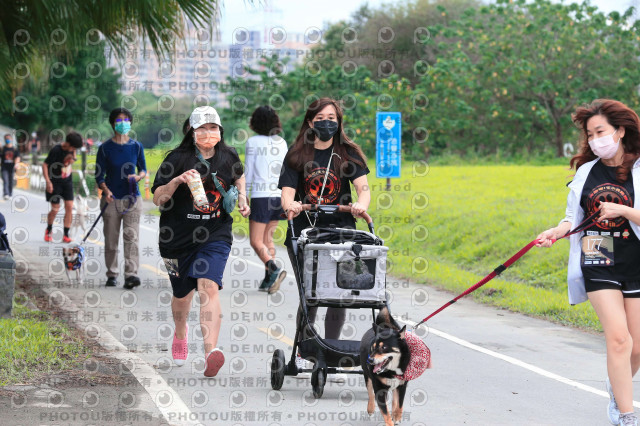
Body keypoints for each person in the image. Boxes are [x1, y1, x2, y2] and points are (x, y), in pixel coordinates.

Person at [536, 99, 640, 426]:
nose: (596, 140)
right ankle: (625, 414)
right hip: (598, 258)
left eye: (601, 132)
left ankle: (616, 380)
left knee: (637, 347)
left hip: (635, 261)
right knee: (619, 339)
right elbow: (572, 219)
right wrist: (556, 231)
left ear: (620, 131)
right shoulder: (586, 172)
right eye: (590, 134)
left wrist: (622, 210)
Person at [152, 106, 250, 377]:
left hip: (215, 233)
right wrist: (176, 182)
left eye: (214, 128)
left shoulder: (228, 156)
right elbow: (157, 198)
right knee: (182, 297)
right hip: (176, 239)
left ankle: (210, 352)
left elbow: (239, 175)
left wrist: (242, 197)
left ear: (221, 131)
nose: (209, 133)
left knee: (208, 285)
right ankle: (180, 333)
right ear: (191, 131)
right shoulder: (177, 158)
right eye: (203, 129)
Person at [278, 97, 371, 369]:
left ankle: (331, 355)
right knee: (312, 295)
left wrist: (359, 206)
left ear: (339, 121)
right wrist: (291, 205)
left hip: (342, 234)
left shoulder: (348, 153)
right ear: (310, 122)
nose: (326, 123)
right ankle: (303, 352)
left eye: (331, 118)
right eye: (320, 119)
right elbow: (287, 193)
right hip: (305, 235)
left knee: (339, 295)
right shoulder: (297, 155)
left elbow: (363, 189)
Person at [95, 107, 147, 289]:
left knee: (131, 237)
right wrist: (105, 190)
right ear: (112, 124)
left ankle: (131, 275)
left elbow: (143, 168)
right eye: (119, 120)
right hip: (111, 199)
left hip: (133, 198)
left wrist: (138, 177)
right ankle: (112, 274)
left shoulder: (136, 146)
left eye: (126, 120)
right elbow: (99, 175)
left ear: (130, 123)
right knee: (111, 238)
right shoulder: (105, 148)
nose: (123, 123)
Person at [245, 106, 288, 293]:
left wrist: (243, 194)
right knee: (267, 239)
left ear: (256, 122)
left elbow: (248, 171)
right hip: (278, 197)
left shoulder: (253, 142)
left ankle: (273, 268)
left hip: (261, 197)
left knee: (255, 241)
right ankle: (268, 279)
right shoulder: (282, 142)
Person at [43, 132, 82, 243]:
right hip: (54, 182)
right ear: (68, 143)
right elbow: (45, 165)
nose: (74, 149)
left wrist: (73, 155)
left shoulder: (72, 149)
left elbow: (72, 161)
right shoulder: (56, 150)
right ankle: (49, 230)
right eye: (74, 147)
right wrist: (48, 182)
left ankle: (66, 234)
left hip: (67, 182)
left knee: (69, 207)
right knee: (55, 209)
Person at [1, 134, 20, 200]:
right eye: (6, 139)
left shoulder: (14, 149)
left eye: (8, 138)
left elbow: (17, 157)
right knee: (5, 180)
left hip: (12, 167)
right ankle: (6, 194)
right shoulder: (3, 149)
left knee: (11, 181)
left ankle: (10, 193)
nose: (7, 140)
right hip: (4, 167)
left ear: (11, 139)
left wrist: (17, 163)